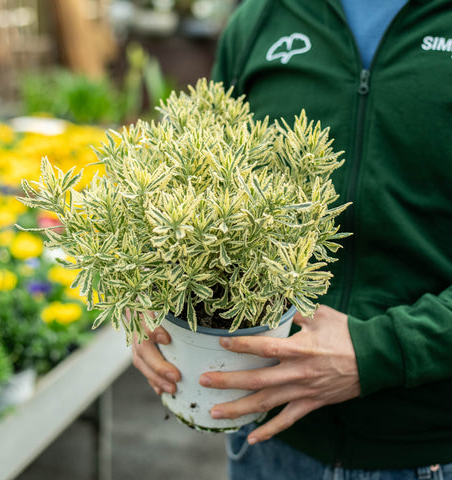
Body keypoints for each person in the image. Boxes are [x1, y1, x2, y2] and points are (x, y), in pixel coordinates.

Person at [132, 0, 452, 478]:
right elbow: (196, 183)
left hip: (426, 450)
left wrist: (379, 351)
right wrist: (145, 294)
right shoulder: (261, 18)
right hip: (266, 443)